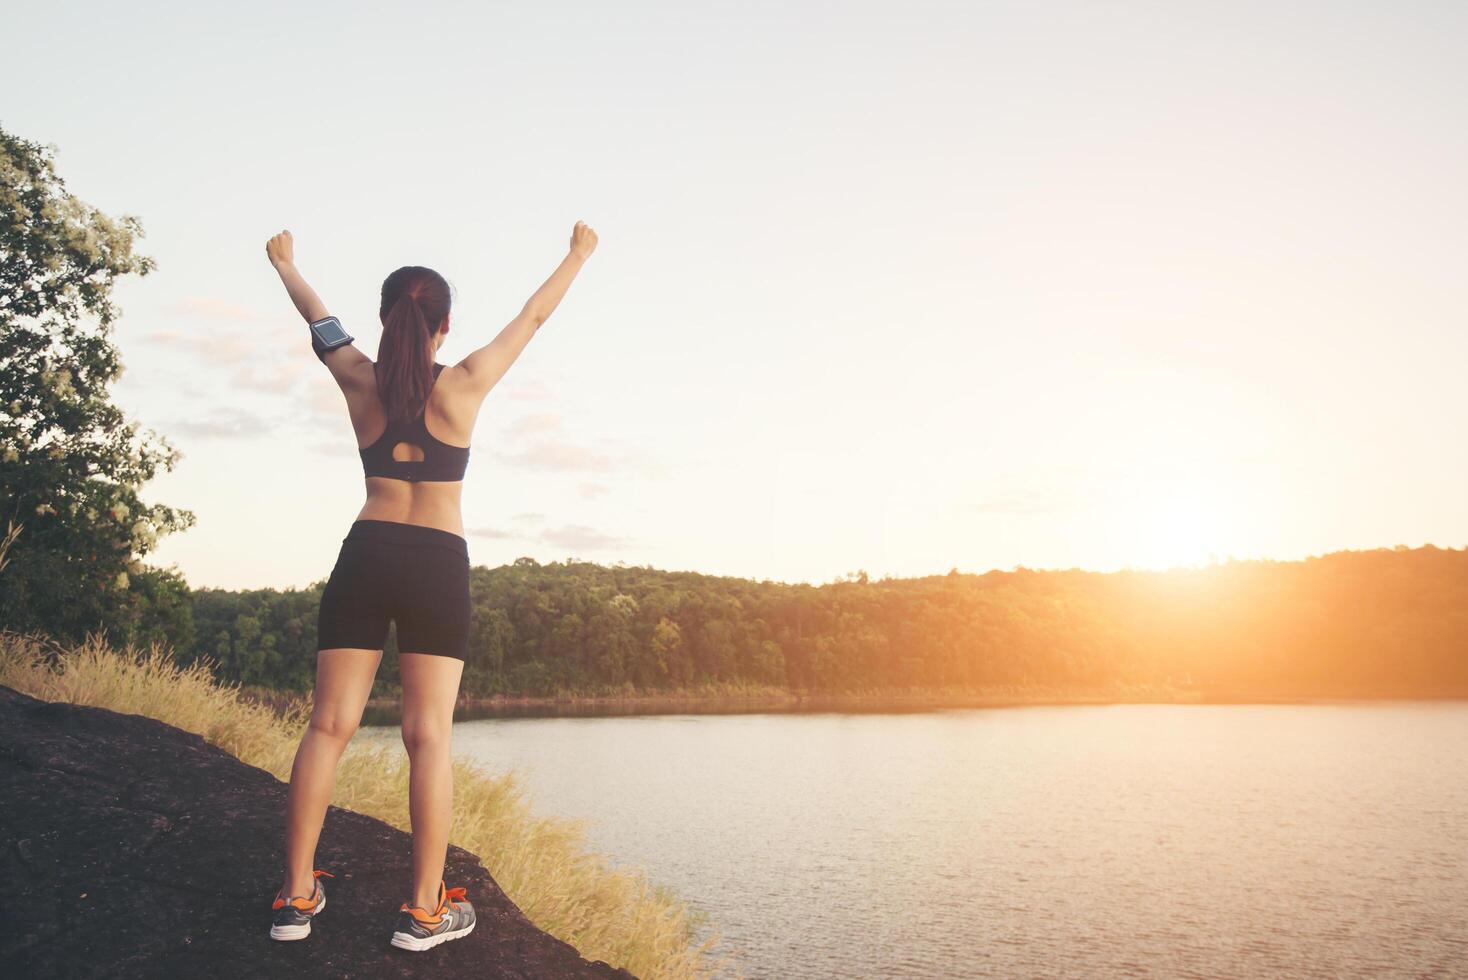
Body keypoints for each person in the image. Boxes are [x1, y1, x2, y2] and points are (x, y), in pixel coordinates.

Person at [262, 220, 599, 950]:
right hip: (435, 561)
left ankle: (294, 897)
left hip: (369, 550)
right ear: (445, 326)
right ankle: (422, 911)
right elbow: (534, 317)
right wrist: (576, 254)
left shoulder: (357, 375)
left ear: (386, 319)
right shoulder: (468, 383)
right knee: (428, 736)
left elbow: (320, 323)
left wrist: (287, 265)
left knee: (328, 725)